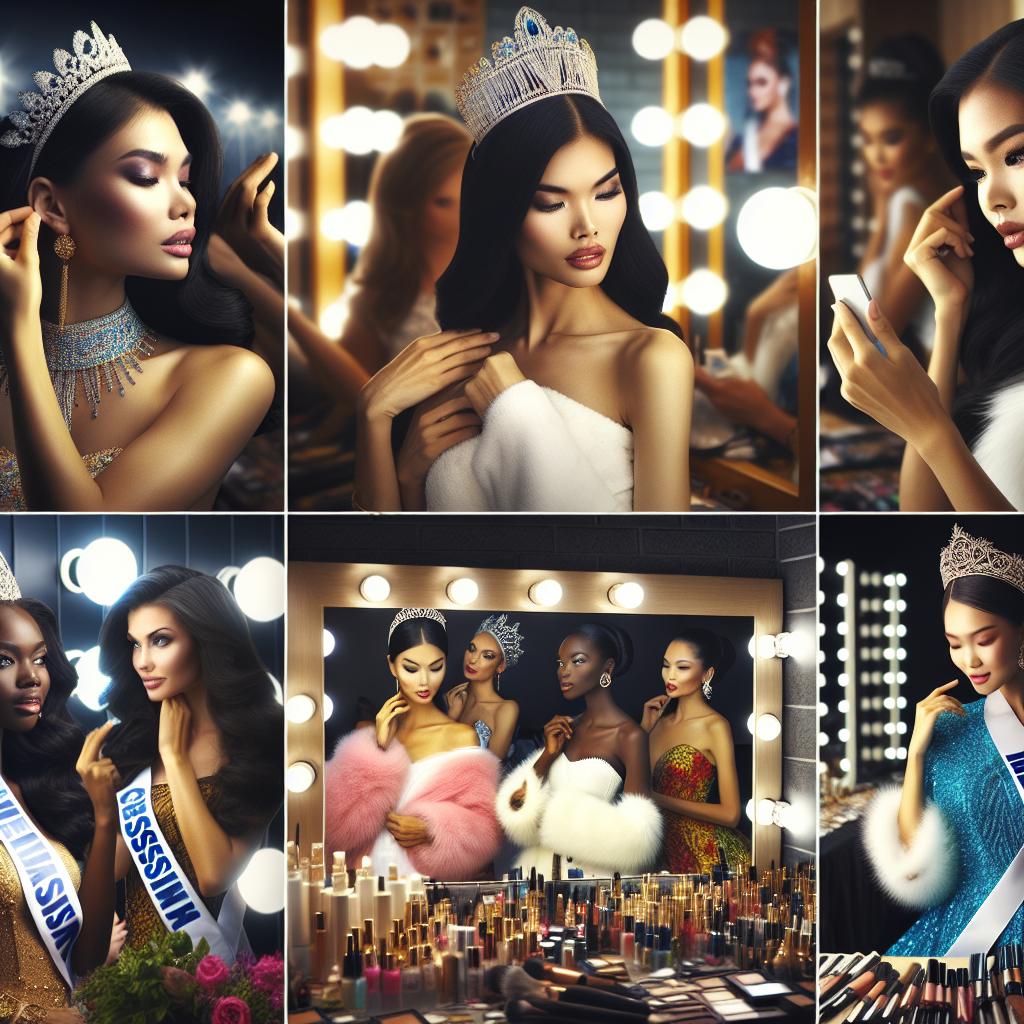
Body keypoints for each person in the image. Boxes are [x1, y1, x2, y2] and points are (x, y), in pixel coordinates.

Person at [354, 7, 693, 512]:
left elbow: (661, 562)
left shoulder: (650, 359)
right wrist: (376, 422)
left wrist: (520, 411)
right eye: (551, 203)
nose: (587, 226)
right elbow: (392, 558)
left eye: (606, 192)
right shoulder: (458, 359)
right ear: (504, 211)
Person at [0, 21, 274, 511]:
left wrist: (20, 324)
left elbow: (81, 521)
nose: (186, 203)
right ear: (52, 205)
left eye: (185, 179)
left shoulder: (229, 378)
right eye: (146, 177)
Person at [827, 20, 1024, 510]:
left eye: (1017, 155)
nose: (993, 199)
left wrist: (932, 430)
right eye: (977, 172)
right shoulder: (1009, 332)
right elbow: (920, 513)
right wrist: (950, 310)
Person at [98, 566, 283, 959]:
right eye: (134, 644)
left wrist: (175, 758)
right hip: (132, 983)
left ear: (205, 641)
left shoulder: (260, 741)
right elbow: (111, 869)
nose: (142, 661)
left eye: (160, 641)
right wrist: (99, 807)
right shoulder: (131, 743)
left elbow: (215, 875)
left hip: (216, 976)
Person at [862, 525, 1024, 953]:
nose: (970, 660)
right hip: (968, 934)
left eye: (985, 640)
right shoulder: (951, 729)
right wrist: (916, 754)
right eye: (955, 644)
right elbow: (915, 864)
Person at [0, 556, 122, 1022]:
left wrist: (104, 815)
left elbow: (86, 964)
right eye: (4, 659)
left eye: (40, 658)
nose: (31, 676)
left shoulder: (26, 790)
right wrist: (34, 1017)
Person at [325, 609, 502, 880]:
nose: (424, 681)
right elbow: (337, 831)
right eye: (411, 668)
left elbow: (484, 831)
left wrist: (432, 829)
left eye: (436, 667)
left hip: (425, 887)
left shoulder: (460, 737)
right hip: (369, 882)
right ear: (391, 665)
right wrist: (378, 748)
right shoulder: (372, 740)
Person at [496, 623, 662, 877]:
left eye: (577, 661)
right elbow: (516, 809)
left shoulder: (629, 736)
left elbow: (638, 836)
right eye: (561, 663)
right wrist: (547, 756)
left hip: (590, 880)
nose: (564, 672)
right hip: (539, 876)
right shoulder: (565, 729)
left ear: (607, 667)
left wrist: (555, 822)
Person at [854, 36, 947, 354]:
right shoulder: (904, 202)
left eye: (891, 138)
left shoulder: (914, 208)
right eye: (867, 140)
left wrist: (881, 219)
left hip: (947, 389)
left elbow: (879, 327)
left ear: (928, 136)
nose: (876, 156)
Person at [641, 630, 750, 874]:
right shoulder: (655, 722)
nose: (670, 675)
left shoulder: (715, 726)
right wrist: (643, 732)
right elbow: (631, 786)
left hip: (706, 858)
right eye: (666, 665)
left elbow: (731, 814)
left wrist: (657, 798)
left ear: (707, 674)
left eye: (682, 667)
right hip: (660, 853)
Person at [445, 613, 523, 758]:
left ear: (500, 666)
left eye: (487, 656)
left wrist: (453, 722)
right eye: (472, 648)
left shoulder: (506, 709)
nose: (473, 659)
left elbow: (494, 769)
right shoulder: (452, 699)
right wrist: (452, 717)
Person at [726, 29, 797, 173]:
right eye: (749, 84)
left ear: (784, 83)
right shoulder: (741, 137)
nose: (752, 92)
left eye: (761, 82)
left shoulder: (798, 139)